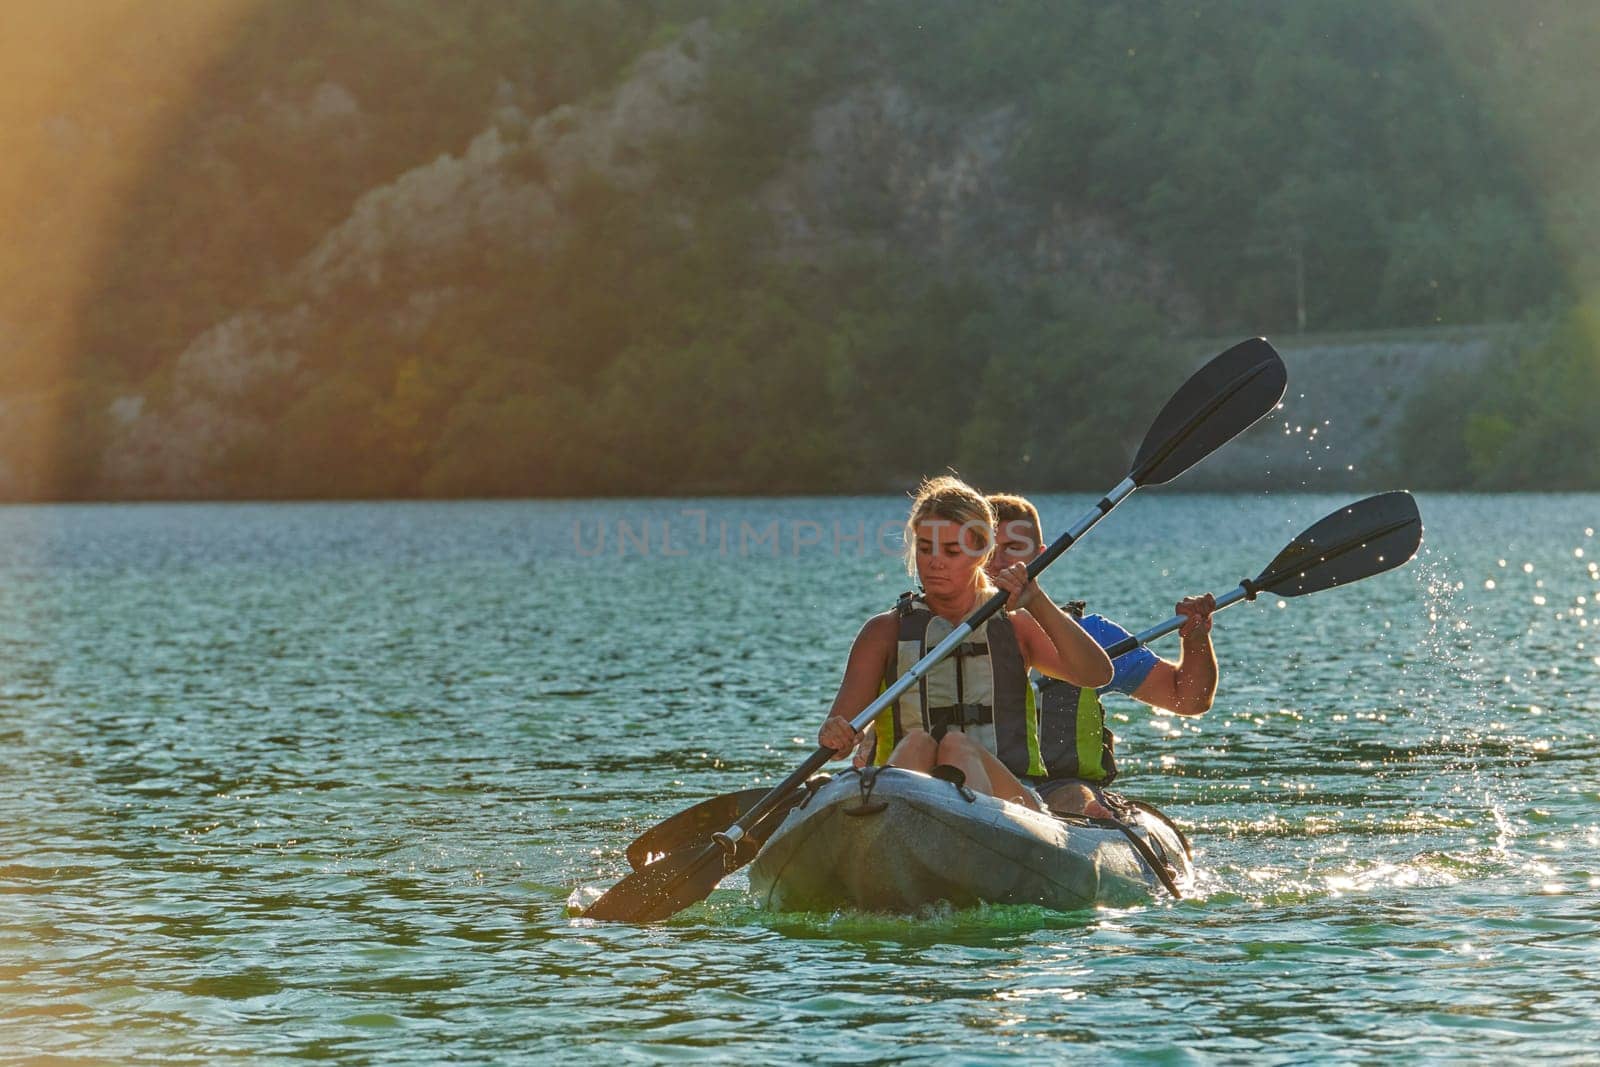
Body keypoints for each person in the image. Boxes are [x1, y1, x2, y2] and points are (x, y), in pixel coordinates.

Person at [816, 475, 1113, 811]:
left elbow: (1096, 674)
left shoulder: (1014, 625)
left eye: (952, 550)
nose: (934, 561)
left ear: (982, 552)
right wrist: (835, 733)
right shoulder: (883, 632)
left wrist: (1037, 601)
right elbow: (838, 741)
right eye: (925, 548)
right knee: (917, 743)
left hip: (1011, 804)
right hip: (906, 797)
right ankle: (899, 830)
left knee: (957, 746)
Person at [985, 492, 1217, 818]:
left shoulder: (1091, 636)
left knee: (1074, 798)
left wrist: (1195, 640)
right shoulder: (926, 631)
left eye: (1012, 548)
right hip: (967, 787)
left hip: (1061, 792)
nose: (996, 562)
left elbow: (1188, 699)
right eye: (984, 548)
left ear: (1041, 556)